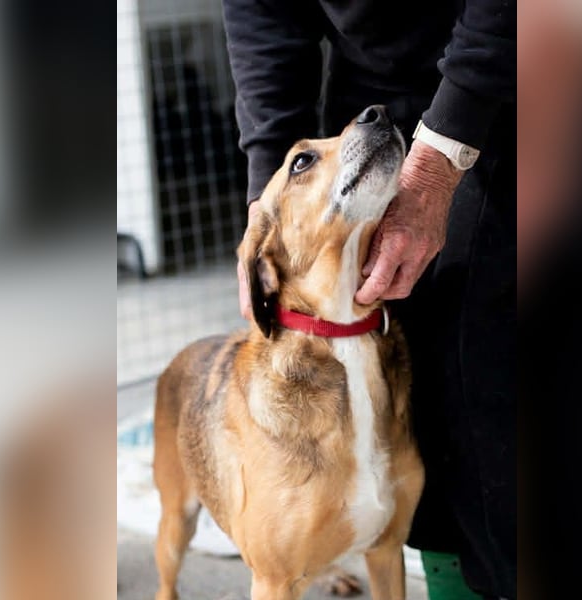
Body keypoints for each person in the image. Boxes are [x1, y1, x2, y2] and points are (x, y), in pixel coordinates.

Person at [223, 2, 515, 598]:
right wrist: (266, 191)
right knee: (423, 382)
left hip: (524, 72)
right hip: (382, 87)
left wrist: (438, 164)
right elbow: (263, 23)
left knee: (486, 372)